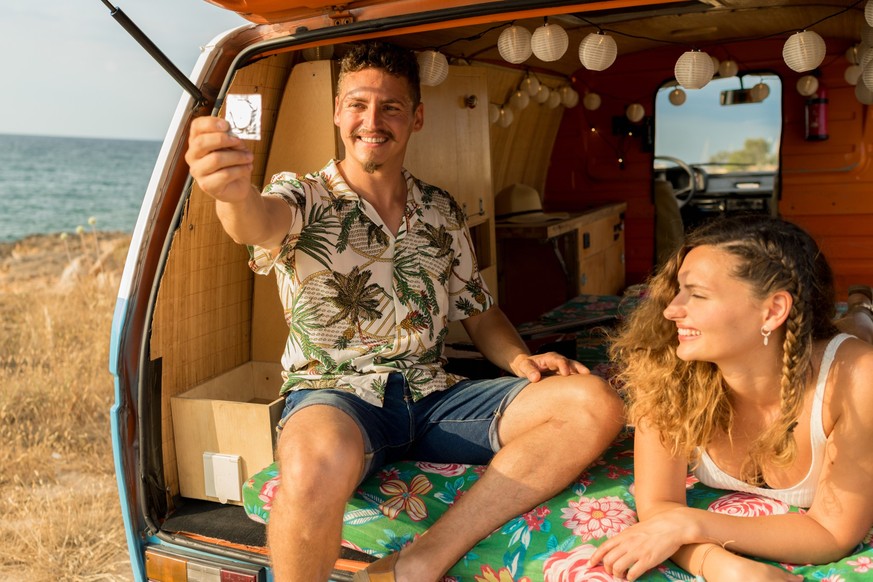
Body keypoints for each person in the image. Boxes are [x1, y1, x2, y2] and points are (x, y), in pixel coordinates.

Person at [185, 41, 624, 582]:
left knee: (593, 402)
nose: (372, 121)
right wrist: (228, 191)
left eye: (390, 107)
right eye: (358, 104)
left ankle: (420, 559)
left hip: (434, 398)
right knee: (306, 464)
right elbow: (253, 221)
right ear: (337, 112)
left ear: (416, 117)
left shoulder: (441, 209)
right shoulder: (300, 197)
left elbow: (480, 313)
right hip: (340, 398)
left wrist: (522, 364)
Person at [588, 215, 873, 581]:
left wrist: (690, 522)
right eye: (678, 290)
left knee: (858, 330)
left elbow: (832, 534)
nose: (671, 310)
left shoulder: (857, 378)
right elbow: (660, 506)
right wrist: (723, 566)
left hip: (842, 354)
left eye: (698, 294)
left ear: (772, 311)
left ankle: (861, 307)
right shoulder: (665, 367)